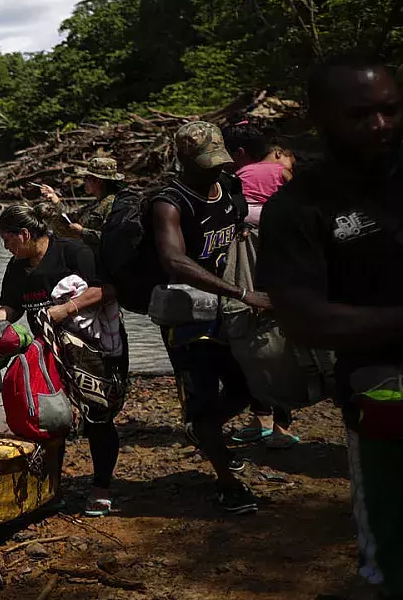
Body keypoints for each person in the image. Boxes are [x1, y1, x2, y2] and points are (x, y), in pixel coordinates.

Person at [258, 56, 403, 598]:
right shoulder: (297, 209)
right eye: (359, 115)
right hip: (388, 399)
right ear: (318, 119)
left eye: (389, 110)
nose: (380, 126)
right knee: (393, 560)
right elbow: (307, 318)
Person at [147, 121, 272, 514]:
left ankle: (203, 427)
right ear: (184, 160)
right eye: (205, 163)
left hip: (229, 310)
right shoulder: (170, 202)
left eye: (218, 161)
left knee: (248, 389)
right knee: (202, 394)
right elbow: (173, 259)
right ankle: (228, 484)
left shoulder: (229, 190)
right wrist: (240, 292)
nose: (214, 169)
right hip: (190, 317)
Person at [0, 205, 128, 517]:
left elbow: (109, 289)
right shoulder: (17, 266)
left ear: (25, 234)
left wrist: (66, 309)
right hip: (47, 350)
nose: (7, 247)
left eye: (8, 240)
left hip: (90, 348)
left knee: (97, 416)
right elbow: (12, 307)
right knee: (49, 414)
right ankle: (53, 487)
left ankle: (101, 487)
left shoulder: (74, 253)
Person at [222, 122, 300, 448]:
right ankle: (275, 421)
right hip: (282, 257)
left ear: (239, 153)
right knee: (278, 336)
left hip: (245, 260)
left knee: (250, 336)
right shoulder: (280, 173)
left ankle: (269, 420)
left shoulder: (234, 180)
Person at [36, 156, 129, 249]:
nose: (84, 180)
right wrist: (54, 198)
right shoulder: (97, 203)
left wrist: (82, 232)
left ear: (98, 181)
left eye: (87, 177)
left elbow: (114, 238)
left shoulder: (113, 205)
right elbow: (71, 216)